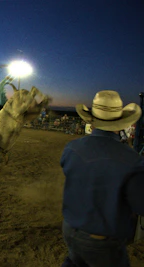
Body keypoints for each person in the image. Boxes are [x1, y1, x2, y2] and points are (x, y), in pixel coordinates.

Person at [60, 90, 144, 267]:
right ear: (120, 123)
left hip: (70, 229)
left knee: (75, 261)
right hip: (102, 239)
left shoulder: (72, 148)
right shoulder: (131, 160)